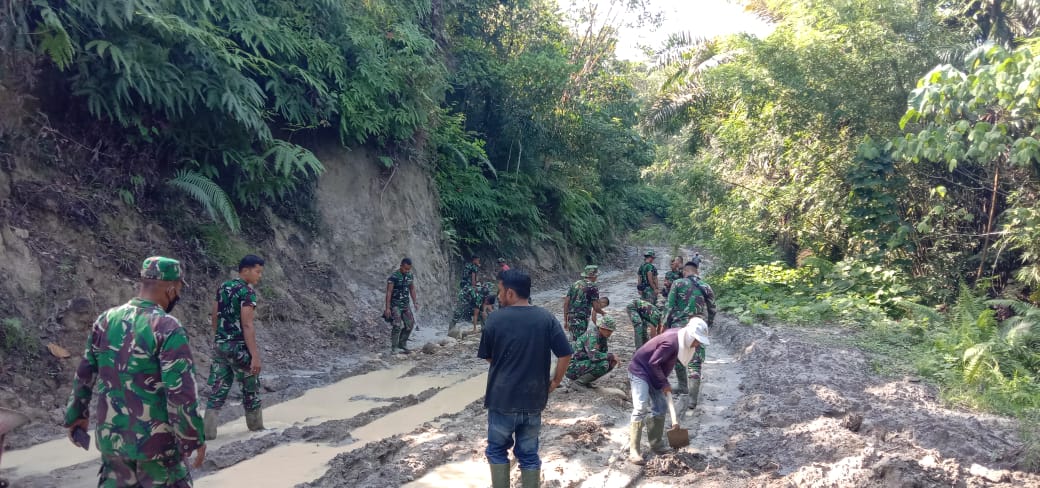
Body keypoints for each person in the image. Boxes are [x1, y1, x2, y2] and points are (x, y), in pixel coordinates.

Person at [65, 256, 206, 486]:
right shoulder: (167, 327)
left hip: (113, 445)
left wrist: (76, 416)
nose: (178, 295)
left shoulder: (106, 319)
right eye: (179, 288)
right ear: (171, 289)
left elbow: (84, 374)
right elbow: (180, 392)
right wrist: (192, 437)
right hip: (158, 450)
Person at [478, 269, 573, 488]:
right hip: (533, 400)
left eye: (500, 291)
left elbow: (490, 358)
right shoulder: (546, 318)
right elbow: (565, 354)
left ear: (510, 293)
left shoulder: (494, 319)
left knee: (497, 451)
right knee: (529, 454)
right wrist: (555, 381)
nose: (499, 296)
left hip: (502, 400)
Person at [626, 319, 710, 465]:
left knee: (661, 407)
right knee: (640, 407)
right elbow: (653, 363)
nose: (698, 344)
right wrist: (664, 383)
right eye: (697, 341)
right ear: (690, 336)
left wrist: (663, 381)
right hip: (640, 370)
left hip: (654, 373)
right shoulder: (671, 342)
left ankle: (656, 444)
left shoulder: (680, 338)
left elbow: (659, 364)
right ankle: (634, 450)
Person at [205, 254, 266, 439]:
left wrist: (219, 338)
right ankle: (256, 430)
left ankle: (207, 434)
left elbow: (214, 315)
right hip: (239, 347)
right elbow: (247, 325)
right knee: (250, 388)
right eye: (257, 271)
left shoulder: (223, 287)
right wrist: (254, 356)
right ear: (245, 270)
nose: (259, 276)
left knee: (217, 390)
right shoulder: (247, 293)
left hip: (221, 345)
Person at [661, 261, 716, 395]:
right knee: (695, 361)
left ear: (685, 271)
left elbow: (669, 306)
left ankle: (682, 385)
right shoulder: (706, 286)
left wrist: (663, 325)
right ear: (697, 271)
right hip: (697, 326)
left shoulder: (678, 283)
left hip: (679, 327)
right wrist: (708, 324)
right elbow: (712, 308)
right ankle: (693, 398)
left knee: (677, 356)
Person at [565, 316, 619, 387]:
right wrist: (611, 356)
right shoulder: (593, 336)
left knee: (610, 362)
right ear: (601, 328)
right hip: (572, 367)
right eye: (608, 330)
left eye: (611, 331)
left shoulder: (602, 337)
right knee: (604, 364)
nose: (610, 333)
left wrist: (611, 358)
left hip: (581, 363)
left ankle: (585, 381)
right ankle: (578, 383)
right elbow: (593, 356)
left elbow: (603, 353)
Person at [563, 265, 607, 341]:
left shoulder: (575, 284)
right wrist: (603, 313)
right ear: (594, 276)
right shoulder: (593, 287)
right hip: (581, 319)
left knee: (573, 339)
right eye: (596, 275)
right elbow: (596, 307)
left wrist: (565, 320)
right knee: (579, 342)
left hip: (571, 317)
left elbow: (566, 303)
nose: (597, 277)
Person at [385, 257, 419, 354]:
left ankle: (402, 343)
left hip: (405, 305)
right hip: (395, 305)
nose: (407, 271)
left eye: (409, 269)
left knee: (410, 324)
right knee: (397, 325)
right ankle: (394, 347)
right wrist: (387, 308)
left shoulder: (410, 276)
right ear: (401, 266)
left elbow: (412, 289)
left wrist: (415, 302)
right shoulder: (394, 277)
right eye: (405, 268)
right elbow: (389, 292)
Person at [452, 256, 482, 329]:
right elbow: (473, 278)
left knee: (464, 303)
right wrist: (474, 287)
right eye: (478, 260)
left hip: (463, 285)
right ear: (475, 260)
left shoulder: (467, 265)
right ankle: (478, 321)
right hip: (469, 287)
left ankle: (454, 323)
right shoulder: (474, 267)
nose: (479, 262)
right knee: (476, 301)